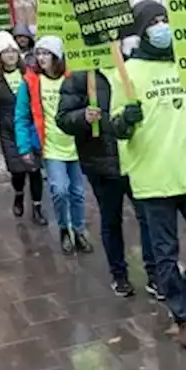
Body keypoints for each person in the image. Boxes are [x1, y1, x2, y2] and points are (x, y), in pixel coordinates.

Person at [109, 0, 186, 349]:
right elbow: (115, 128)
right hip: (152, 179)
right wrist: (125, 119)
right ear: (141, 30)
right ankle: (182, 315)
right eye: (153, 21)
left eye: (165, 20)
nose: (161, 27)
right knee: (164, 254)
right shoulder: (127, 73)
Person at [56, 67, 160, 298]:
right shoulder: (81, 77)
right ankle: (119, 275)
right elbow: (63, 118)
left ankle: (155, 274)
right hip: (101, 161)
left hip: (137, 159)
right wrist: (83, 116)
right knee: (111, 219)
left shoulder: (133, 69)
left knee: (147, 217)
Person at [15, 36, 92, 256]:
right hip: (51, 147)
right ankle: (63, 230)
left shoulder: (73, 78)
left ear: (57, 55)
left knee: (77, 192)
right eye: (38, 53)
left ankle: (78, 230)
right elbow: (21, 117)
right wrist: (25, 148)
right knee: (59, 190)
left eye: (46, 53)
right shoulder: (30, 83)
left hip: (76, 145)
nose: (41, 58)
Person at [0, 32, 44, 223]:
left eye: (13, 51)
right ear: (0, 55)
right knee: (18, 170)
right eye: (6, 52)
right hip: (8, 130)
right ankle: (19, 194)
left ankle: (37, 207)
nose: (10, 55)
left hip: (30, 128)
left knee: (34, 169)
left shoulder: (29, 74)